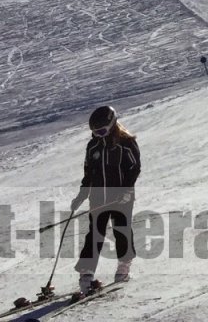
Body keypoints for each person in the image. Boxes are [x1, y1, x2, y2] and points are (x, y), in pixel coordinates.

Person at [69, 105, 141, 292]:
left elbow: (134, 168)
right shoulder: (93, 146)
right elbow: (89, 174)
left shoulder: (126, 143)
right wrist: (81, 195)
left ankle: (124, 265)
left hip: (121, 196)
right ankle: (86, 272)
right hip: (98, 196)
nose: (98, 136)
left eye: (101, 131)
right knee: (95, 232)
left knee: (121, 229)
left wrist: (126, 191)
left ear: (112, 125)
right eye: (94, 133)